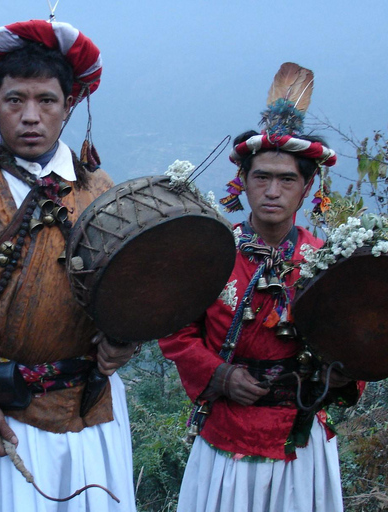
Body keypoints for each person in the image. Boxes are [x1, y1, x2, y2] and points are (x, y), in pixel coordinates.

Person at [0, 20, 139, 512]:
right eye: (15, 100)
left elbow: (129, 287)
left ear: (69, 105)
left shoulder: (100, 190)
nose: (31, 116)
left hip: (89, 407)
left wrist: (123, 339)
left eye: (47, 101)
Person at [158, 63, 363, 512]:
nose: (273, 191)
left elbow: (358, 336)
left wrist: (346, 373)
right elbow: (176, 332)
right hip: (226, 440)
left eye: (287, 179)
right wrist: (221, 375)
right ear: (243, 183)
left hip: (301, 443)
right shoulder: (212, 255)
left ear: (307, 188)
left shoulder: (327, 264)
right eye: (261, 177)